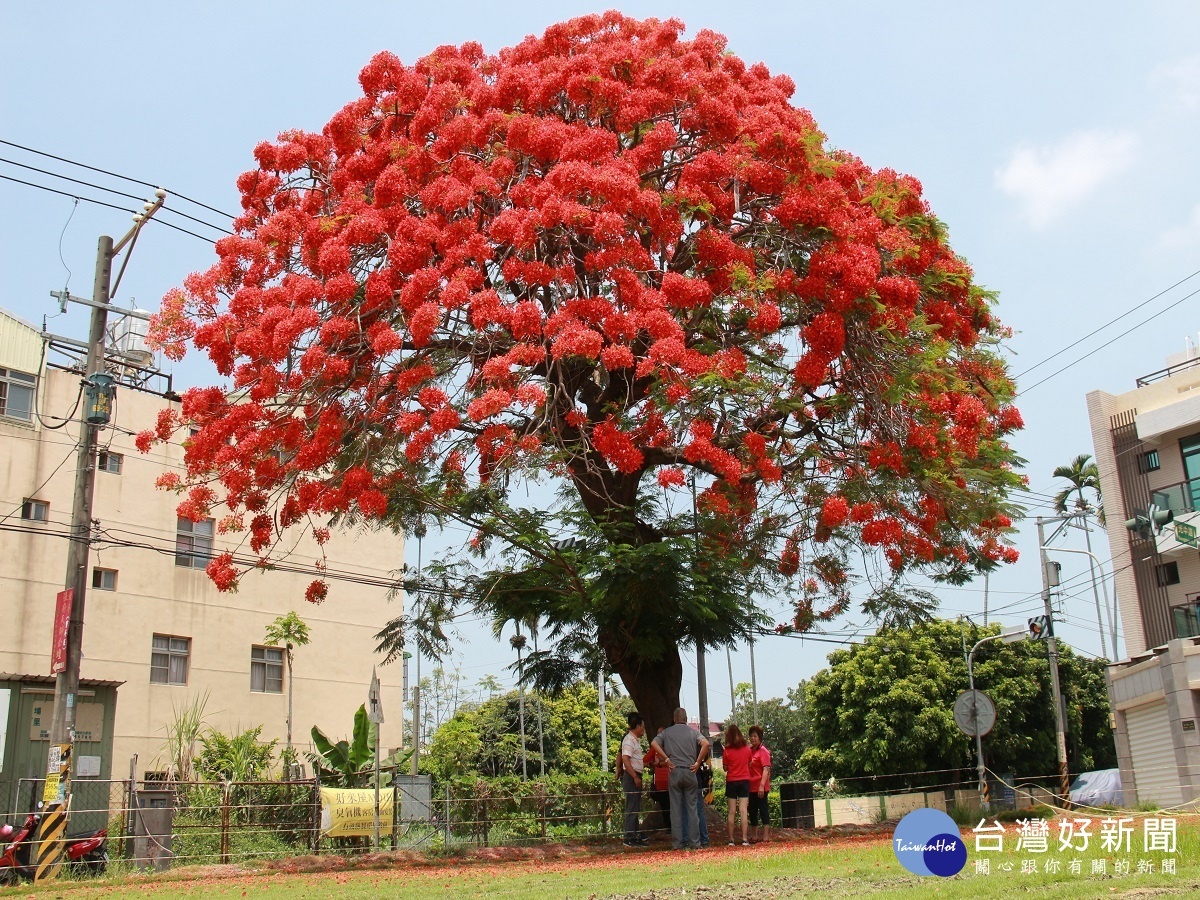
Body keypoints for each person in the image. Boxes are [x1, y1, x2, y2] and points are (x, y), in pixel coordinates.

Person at [651, 707, 711, 850]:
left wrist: (666, 759)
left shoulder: (667, 732)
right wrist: (697, 762)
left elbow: (654, 743)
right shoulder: (693, 732)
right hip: (690, 771)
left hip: (675, 771)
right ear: (686, 718)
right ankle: (695, 843)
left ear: (674, 718)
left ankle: (678, 844)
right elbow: (706, 744)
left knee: (676, 810)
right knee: (692, 809)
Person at [721, 723, 752, 846]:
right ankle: (745, 839)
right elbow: (749, 764)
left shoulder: (727, 751)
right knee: (743, 810)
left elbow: (725, 768)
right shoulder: (747, 748)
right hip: (745, 780)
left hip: (732, 781)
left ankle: (731, 840)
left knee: (731, 811)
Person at [620, 712, 648, 846]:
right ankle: (629, 836)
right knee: (632, 806)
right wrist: (635, 776)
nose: (643, 729)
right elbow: (625, 759)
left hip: (635, 775)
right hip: (632, 777)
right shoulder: (629, 740)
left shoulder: (634, 740)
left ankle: (635, 833)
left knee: (635, 805)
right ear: (637, 726)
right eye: (642, 726)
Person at [643, 726, 671, 833]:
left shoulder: (671, 746)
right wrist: (651, 764)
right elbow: (645, 761)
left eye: (662, 733)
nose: (660, 735)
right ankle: (668, 829)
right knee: (664, 807)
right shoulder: (654, 748)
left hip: (671, 781)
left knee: (673, 806)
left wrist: (659, 763)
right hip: (660, 782)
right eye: (658, 733)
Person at [748, 724, 773, 843]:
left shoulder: (763, 751)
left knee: (763, 810)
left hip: (761, 786)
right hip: (751, 787)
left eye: (755, 736)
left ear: (760, 737)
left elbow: (766, 769)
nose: (753, 738)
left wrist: (762, 786)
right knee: (752, 811)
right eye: (751, 736)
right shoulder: (750, 751)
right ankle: (754, 835)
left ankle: (766, 835)